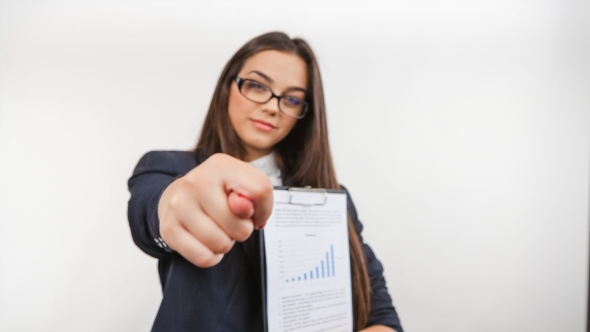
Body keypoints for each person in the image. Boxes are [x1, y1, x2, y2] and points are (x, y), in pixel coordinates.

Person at [127, 32, 403, 332]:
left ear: (303, 114)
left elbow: (381, 313)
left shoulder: (333, 197)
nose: (272, 106)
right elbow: (151, 211)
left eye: (292, 98)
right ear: (227, 87)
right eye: (258, 86)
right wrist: (172, 204)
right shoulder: (170, 168)